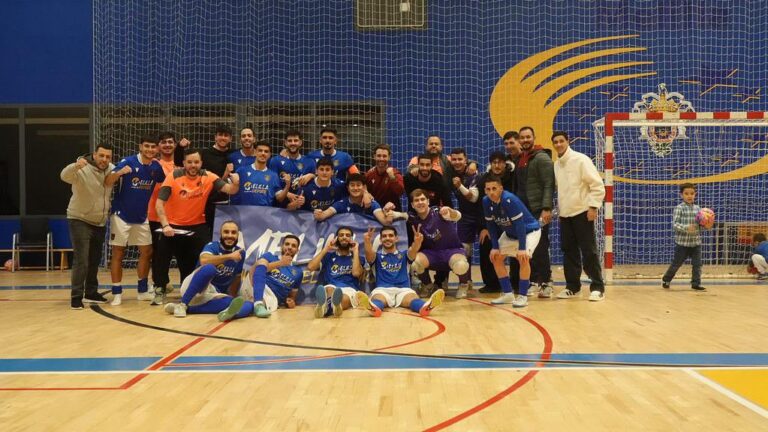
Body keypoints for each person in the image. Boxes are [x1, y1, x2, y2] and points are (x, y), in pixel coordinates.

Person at [153, 148, 240, 303]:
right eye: (190, 162)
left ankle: (190, 290)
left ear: (201, 163)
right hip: (172, 226)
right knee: (162, 257)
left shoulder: (209, 176)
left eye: (196, 162)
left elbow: (230, 190)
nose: (193, 165)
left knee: (194, 261)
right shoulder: (173, 176)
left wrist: (236, 182)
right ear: (184, 163)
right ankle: (159, 289)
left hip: (197, 226)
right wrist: (165, 225)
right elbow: (159, 204)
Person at [104, 135, 166, 306]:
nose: (150, 150)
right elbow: (107, 181)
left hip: (141, 216)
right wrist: (119, 173)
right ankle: (117, 293)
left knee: (147, 252)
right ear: (140, 146)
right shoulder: (128, 161)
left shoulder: (156, 166)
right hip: (121, 215)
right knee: (118, 253)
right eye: (147, 146)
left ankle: (142, 290)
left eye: (153, 147)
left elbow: (167, 182)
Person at [551, 131, 606, 302]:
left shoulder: (581, 160)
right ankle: (573, 287)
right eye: (555, 142)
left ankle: (597, 287)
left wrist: (593, 207)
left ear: (568, 141)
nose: (558, 144)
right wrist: (561, 211)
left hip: (582, 213)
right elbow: (561, 191)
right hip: (565, 215)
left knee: (589, 251)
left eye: (561, 141)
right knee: (569, 252)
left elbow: (597, 185)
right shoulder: (556, 165)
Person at [163, 220, 253, 321]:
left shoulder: (240, 253)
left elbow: (236, 277)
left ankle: (190, 309)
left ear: (238, 235)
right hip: (195, 288)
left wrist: (232, 296)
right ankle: (182, 304)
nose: (230, 235)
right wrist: (229, 256)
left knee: (239, 303)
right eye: (226, 232)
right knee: (210, 268)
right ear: (221, 234)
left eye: (233, 232)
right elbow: (204, 261)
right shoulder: (212, 246)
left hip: (212, 295)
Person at [60, 144, 115, 309]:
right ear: (94, 155)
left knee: (94, 260)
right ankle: (76, 297)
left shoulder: (111, 169)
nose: (104, 159)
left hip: (100, 221)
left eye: (108, 157)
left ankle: (91, 292)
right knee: (81, 260)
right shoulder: (81, 168)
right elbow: (64, 176)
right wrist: (75, 166)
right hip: (79, 219)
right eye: (101, 156)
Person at [356, 226, 445, 317]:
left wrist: (417, 242)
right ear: (381, 239)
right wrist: (367, 241)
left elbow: (413, 250)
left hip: (403, 290)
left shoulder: (404, 255)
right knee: (378, 299)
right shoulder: (376, 256)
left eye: (391, 235)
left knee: (412, 299)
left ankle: (425, 307)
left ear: (396, 238)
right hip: (383, 290)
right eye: (384, 236)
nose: (387, 238)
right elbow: (369, 254)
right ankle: (373, 308)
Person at [482, 176, 541, 308]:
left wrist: (521, 248)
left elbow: (520, 225)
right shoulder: (486, 201)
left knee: (523, 259)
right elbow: (490, 225)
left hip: (529, 232)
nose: (491, 192)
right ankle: (508, 293)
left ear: (501, 189)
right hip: (510, 234)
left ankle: (523, 296)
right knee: (496, 257)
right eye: (488, 189)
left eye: (494, 189)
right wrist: (495, 247)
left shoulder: (509, 199)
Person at [406, 189, 472, 299]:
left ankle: (464, 284)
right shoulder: (413, 218)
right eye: (416, 200)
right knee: (414, 264)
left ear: (428, 201)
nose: (420, 202)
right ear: (412, 205)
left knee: (461, 266)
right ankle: (428, 286)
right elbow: (398, 215)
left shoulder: (439, 212)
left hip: (451, 251)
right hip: (431, 253)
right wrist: (389, 211)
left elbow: (457, 216)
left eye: (423, 199)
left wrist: (451, 211)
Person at [516, 126, 555, 298]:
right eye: (522, 137)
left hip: (538, 210)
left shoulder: (542, 157)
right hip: (523, 212)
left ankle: (546, 282)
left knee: (540, 246)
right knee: (527, 247)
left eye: (528, 137)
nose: (525, 140)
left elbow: (549, 184)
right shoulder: (521, 159)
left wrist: (546, 208)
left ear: (534, 137)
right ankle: (532, 281)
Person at [148, 132, 186, 295]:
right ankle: (159, 284)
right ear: (158, 146)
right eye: (163, 142)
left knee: (183, 254)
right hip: (157, 214)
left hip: (179, 216)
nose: (167, 145)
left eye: (170, 142)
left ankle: (186, 285)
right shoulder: (153, 163)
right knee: (159, 253)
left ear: (175, 145)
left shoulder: (182, 164)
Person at [476, 151, 516, 294]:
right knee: (486, 244)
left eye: (500, 162)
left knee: (515, 251)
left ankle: (516, 283)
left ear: (505, 164)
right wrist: (483, 227)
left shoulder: (513, 178)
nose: (497, 165)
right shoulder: (483, 180)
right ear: (490, 164)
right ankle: (491, 284)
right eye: (494, 162)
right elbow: (480, 207)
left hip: (511, 223)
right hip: (491, 223)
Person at [306, 226, 365, 318]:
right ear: (337, 238)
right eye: (341, 235)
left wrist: (356, 250)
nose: (344, 237)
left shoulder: (358, 258)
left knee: (343, 298)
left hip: (350, 289)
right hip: (332, 287)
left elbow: (356, 273)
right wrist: (326, 249)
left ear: (352, 239)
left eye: (347, 235)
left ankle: (326, 307)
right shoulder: (329, 256)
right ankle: (331, 306)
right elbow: (310, 267)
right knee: (329, 289)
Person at [661, 183, 710, 291]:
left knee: (697, 264)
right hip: (682, 243)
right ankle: (666, 279)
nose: (689, 196)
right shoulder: (679, 208)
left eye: (692, 194)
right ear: (681, 195)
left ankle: (695, 283)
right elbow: (675, 224)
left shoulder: (699, 209)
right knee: (676, 264)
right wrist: (686, 227)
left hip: (696, 243)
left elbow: (700, 225)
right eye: (686, 193)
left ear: (695, 195)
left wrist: (706, 225)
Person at [241, 234, 303, 318]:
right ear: (282, 246)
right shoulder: (269, 256)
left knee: (252, 304)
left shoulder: (298, 272)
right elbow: (255, 269)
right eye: (287, 244)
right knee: (262, 263)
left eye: (293, 246)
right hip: (254, 285)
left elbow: (292, 296)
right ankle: (258, 302)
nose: (289, 247)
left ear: (297, 250)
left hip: (270, 297)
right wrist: (280, 263)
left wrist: (291, 301)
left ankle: (234, 312)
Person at [448, 148, 482, 297]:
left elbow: (472, 197)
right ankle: (465, 281)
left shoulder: (473, 173)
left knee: (487, 249)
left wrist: (459, 185)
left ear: (466, 159)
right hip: (465, 217)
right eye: (454, 159)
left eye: (460, 159)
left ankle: (495, 283)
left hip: (481, 215)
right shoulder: (450, 173)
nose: (457, 162)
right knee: (464, 249)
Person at [313, 173, 393, 225]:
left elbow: (385, 222)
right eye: (352, 185)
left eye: (358, 185)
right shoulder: (341, 203)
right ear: (348, 188)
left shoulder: (372, 203)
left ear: (364, 187)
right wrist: (319, 214)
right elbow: (325, 214)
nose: (355, 188)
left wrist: (388, 215)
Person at [231, 141, 290, 206]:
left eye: (266, 151)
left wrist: (287, 186)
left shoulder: (274, 175)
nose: (263, 153)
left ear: (269, 155)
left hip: (264, 214)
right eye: (260, 151)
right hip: (244, 213)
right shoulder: (241, 171)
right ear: (255, 152)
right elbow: (229, 188)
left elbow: (279, 198)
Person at [365, 144, 405, 212]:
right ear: (374, 156)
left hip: (392, 212)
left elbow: (400, 192)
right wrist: (365, 193)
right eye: (379, 156)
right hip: (374, 212)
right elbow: (362, 186)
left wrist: (392, 178)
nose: (381, 159)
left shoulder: (395, 173)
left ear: (389, 157)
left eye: (384, 156)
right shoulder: (369, 174)